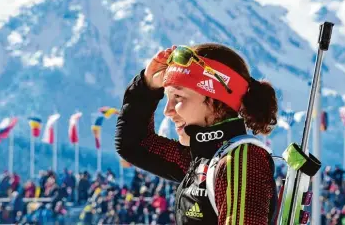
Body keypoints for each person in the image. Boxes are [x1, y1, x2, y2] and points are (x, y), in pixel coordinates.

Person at [115, 43, 278, 224]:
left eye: (178, 97)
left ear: (217, 101)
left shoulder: (241, 160)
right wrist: (147, 86)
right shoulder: (203, 159)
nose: (167, 111)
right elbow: (134, 144)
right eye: (167, 97)